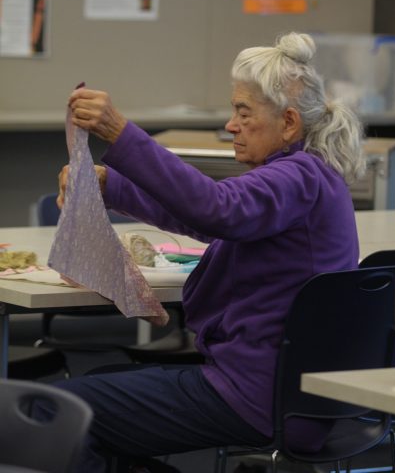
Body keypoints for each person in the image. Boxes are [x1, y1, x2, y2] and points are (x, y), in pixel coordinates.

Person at [55, 32, 366, 472]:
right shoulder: (305, 178)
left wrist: (120, 133)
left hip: (256, 396)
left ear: (290, 123)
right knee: (99, 387)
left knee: (54, 410)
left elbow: (216, 209)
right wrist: (112, 185)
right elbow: (203, 217)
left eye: (243, 113)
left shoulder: (298, 178)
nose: (231, 126)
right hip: (285, 392)